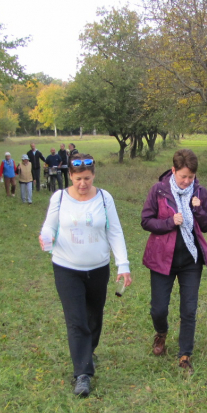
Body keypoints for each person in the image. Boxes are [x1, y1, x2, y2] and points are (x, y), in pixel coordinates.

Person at [39, 154, 131, 397]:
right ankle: (82, 374)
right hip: (67, 268)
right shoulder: (59, 198)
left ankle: (87, 352)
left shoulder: (104, 198)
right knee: (77, 320)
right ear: (70, 175)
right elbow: (49, 225)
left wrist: (123, 264)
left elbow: (115, 231)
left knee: (94, 317)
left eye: (87, 178)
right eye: (78, 178)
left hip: (98, 268)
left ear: (94, 175)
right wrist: (45, 235)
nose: (83, 184)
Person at [140, 149, 207, 373]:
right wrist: (169, 222)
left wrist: (198, 211)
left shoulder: (200, 192)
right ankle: (161, 333)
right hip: (162, 260)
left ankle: (185, 354)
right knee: (159, 309)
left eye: (191, 177)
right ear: (173, 171)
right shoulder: (159, 191)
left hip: (191, 261)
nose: (186, 181)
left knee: (189, 310)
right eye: (183, 176)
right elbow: (146, 221)